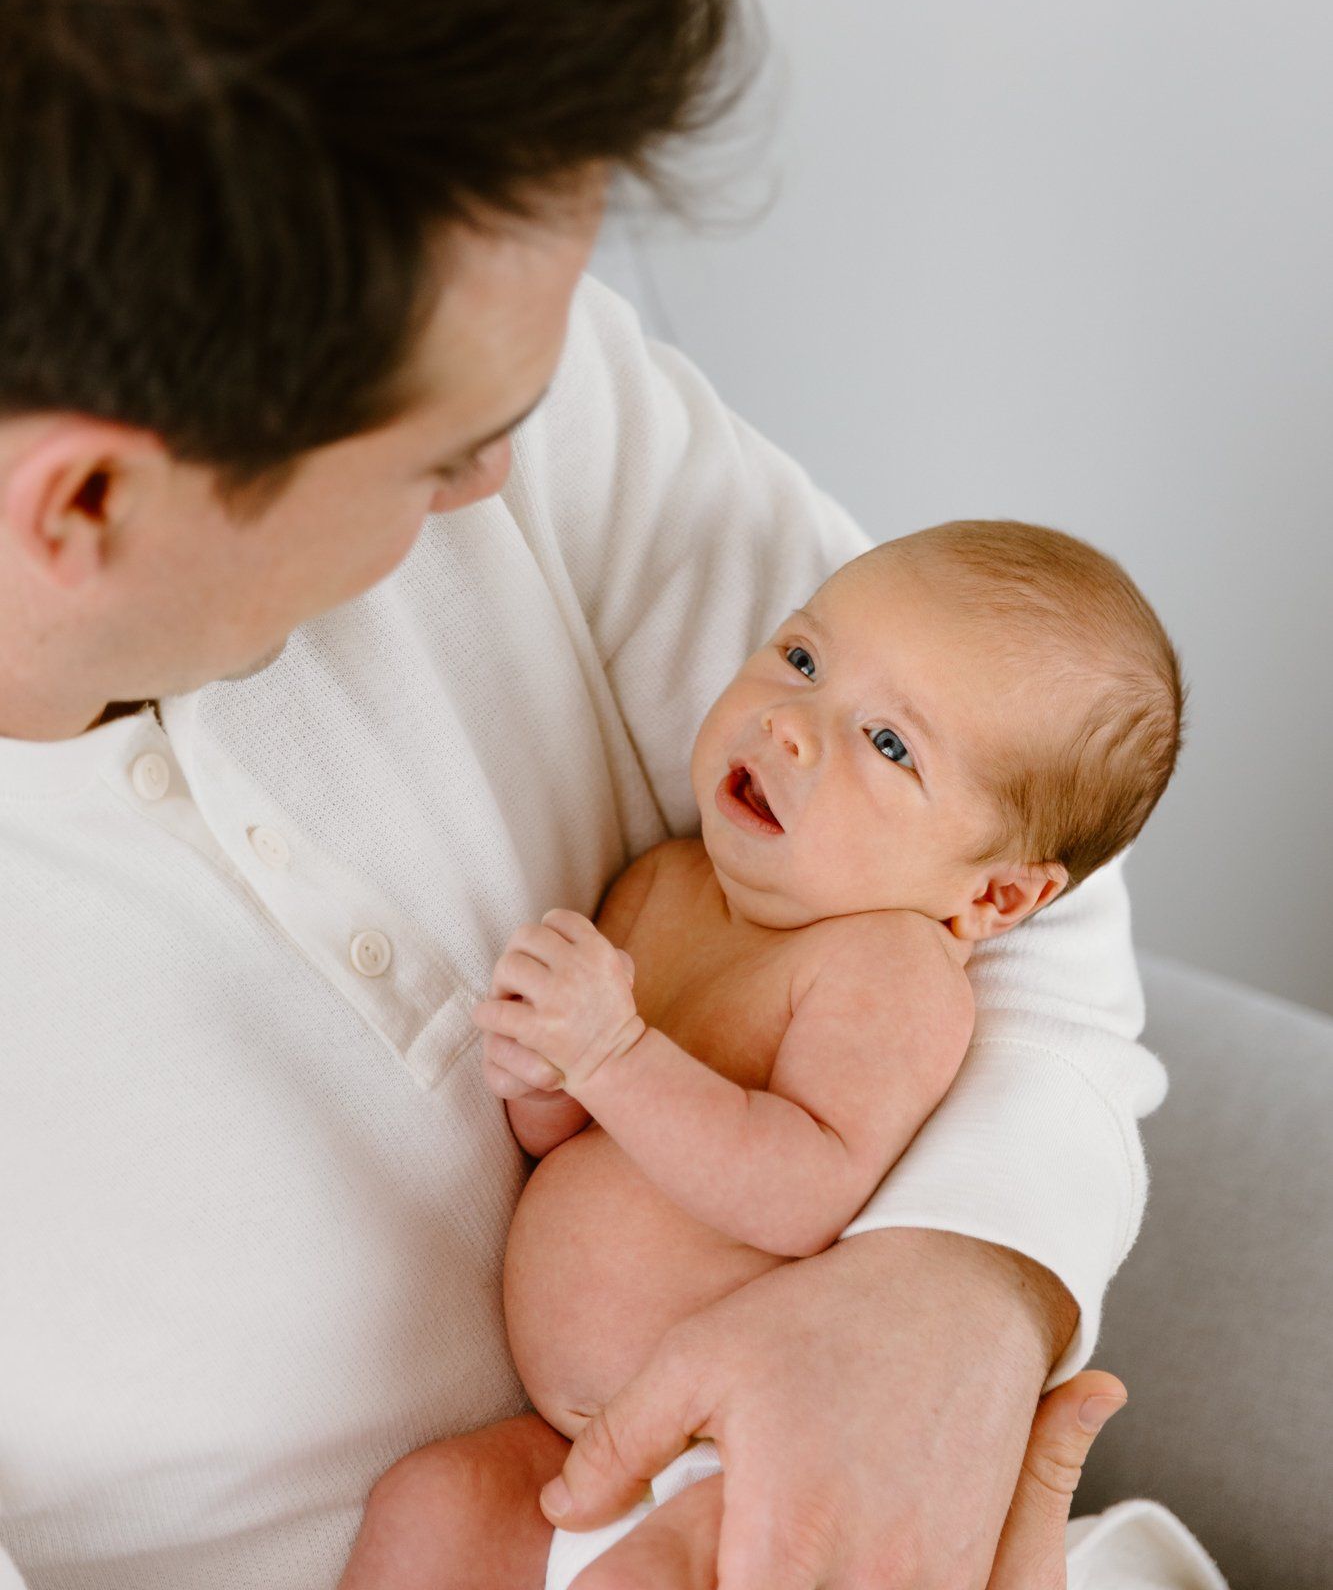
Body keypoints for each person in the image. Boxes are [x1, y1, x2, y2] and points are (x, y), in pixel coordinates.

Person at [0, 0, 1166, 1590]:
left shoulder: (514, 362)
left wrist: (949, 1299)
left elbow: (1011, 816)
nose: (507, 482)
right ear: (89, 503)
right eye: (446, 455)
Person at [337, 522, 1183, 1589]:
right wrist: (543, 1075)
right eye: (800, 658)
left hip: (753, 1464)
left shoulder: (888, 969)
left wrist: (613, 1052)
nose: (790, 726)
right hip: (574, 1440)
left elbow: (799, 1187)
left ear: (994, 895)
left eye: (888, 744)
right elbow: (582, 1144)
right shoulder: (668, 885)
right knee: (429, 1507)